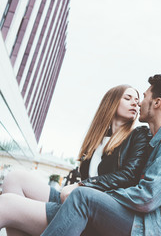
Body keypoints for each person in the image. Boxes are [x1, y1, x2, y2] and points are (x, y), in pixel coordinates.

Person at [41, 74, 161, 236]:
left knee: (83, 196)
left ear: (157, 103)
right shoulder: (156, 141)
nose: (139, 103)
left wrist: (100, 195)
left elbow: (147, 197)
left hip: (160, 230)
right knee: (78, 199)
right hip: (146, 222)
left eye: (144, 96)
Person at [0, 85, 150, 236]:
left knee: (6, 204)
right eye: (127, 98)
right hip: (76, 199)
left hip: (91, 209)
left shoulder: (138, 135)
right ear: (111, 102)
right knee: (14, 178)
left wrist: (80, 185)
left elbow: (128, 175)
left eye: (137, 101)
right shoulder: (95, 139)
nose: (135, 104)